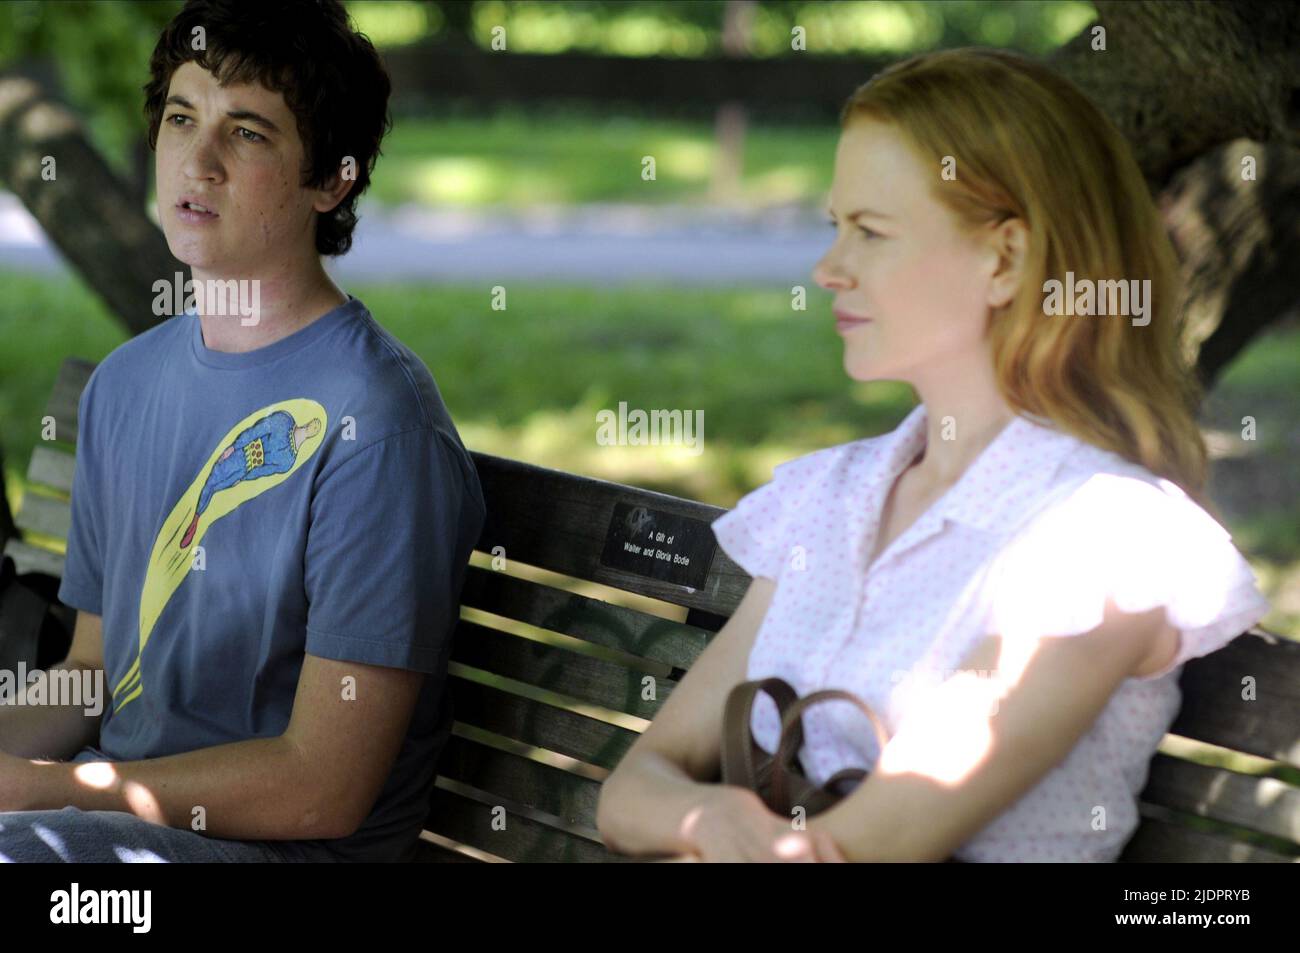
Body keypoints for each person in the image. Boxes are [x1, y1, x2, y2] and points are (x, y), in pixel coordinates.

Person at [594, 48, 1271, 863]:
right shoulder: (830, 495)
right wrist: (710, 821)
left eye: (870, 232)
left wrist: (718, 827)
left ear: (1005, 260)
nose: (828, 269)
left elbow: (872, 845)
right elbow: (633, 792)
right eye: (834, 228)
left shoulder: (1103, 539)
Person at [0, 0, 485, 862]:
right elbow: (91, 672)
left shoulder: (376, 427)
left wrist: (54, 792)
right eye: (182, 118)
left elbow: (321, 788)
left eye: (250, 133)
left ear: (331, 181)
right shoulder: (125, 385)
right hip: (110, 823)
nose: (200, 159)